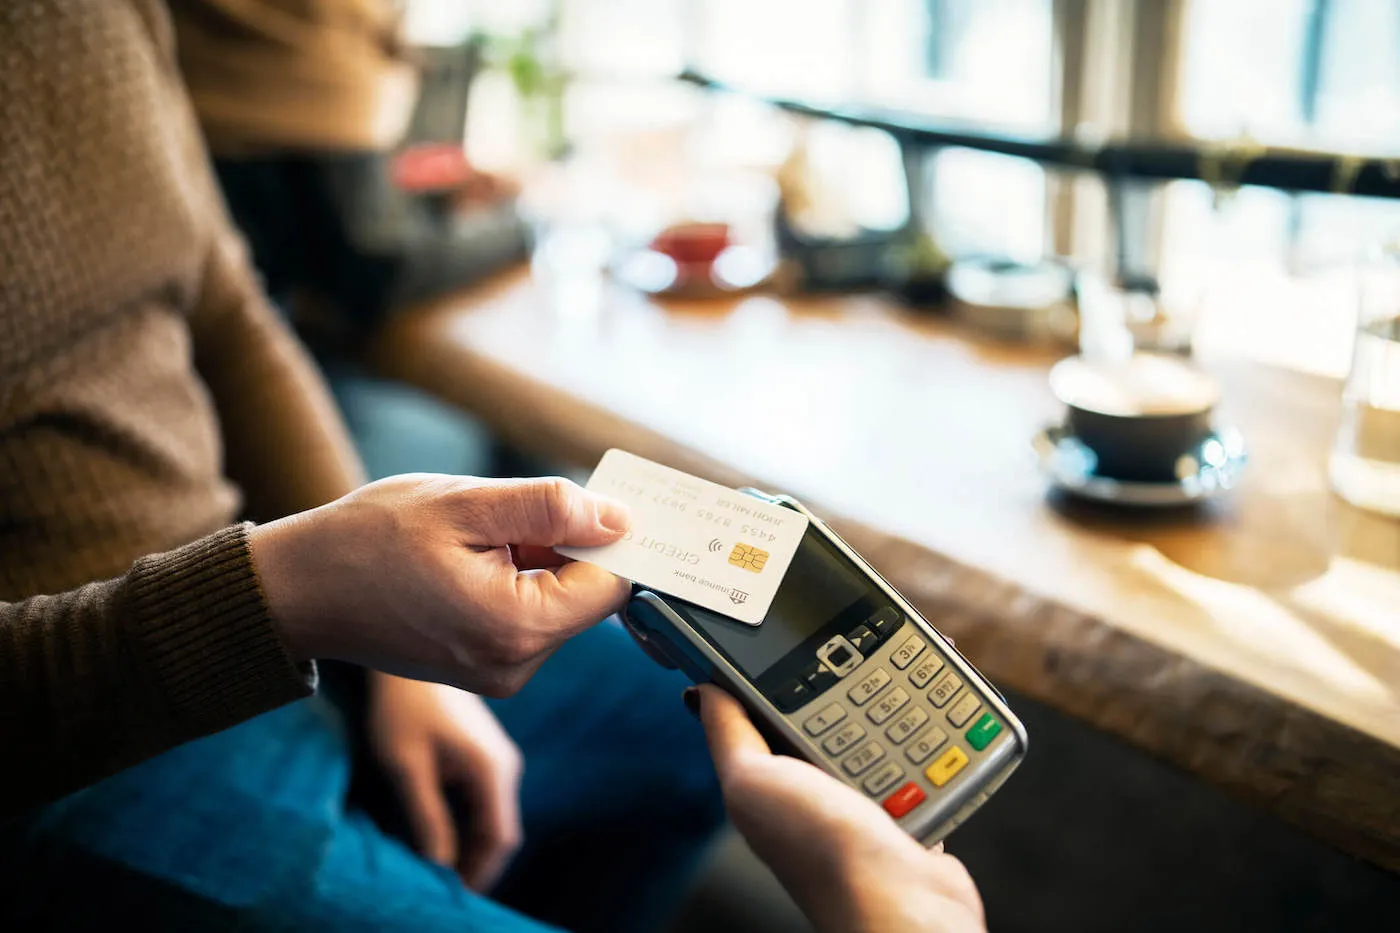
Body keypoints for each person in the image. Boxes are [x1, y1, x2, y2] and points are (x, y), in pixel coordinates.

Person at [0, 4, 988, 932]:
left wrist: (390, 658)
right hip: (81, 745)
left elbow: (225, 301)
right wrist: (291, 597)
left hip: (257, 604)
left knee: (679, 747)